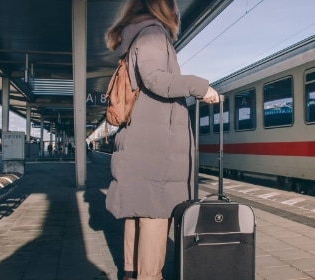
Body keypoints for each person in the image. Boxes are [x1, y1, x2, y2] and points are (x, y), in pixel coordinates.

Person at [104, 1, 220, 279]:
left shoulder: (136, 35)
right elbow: (156, 79)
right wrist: (200, 87)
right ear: (165, 9)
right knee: (156, 214)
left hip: (143, 141)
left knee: (137, 212)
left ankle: (132, 274)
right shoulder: (153, 34)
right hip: (155, 148)